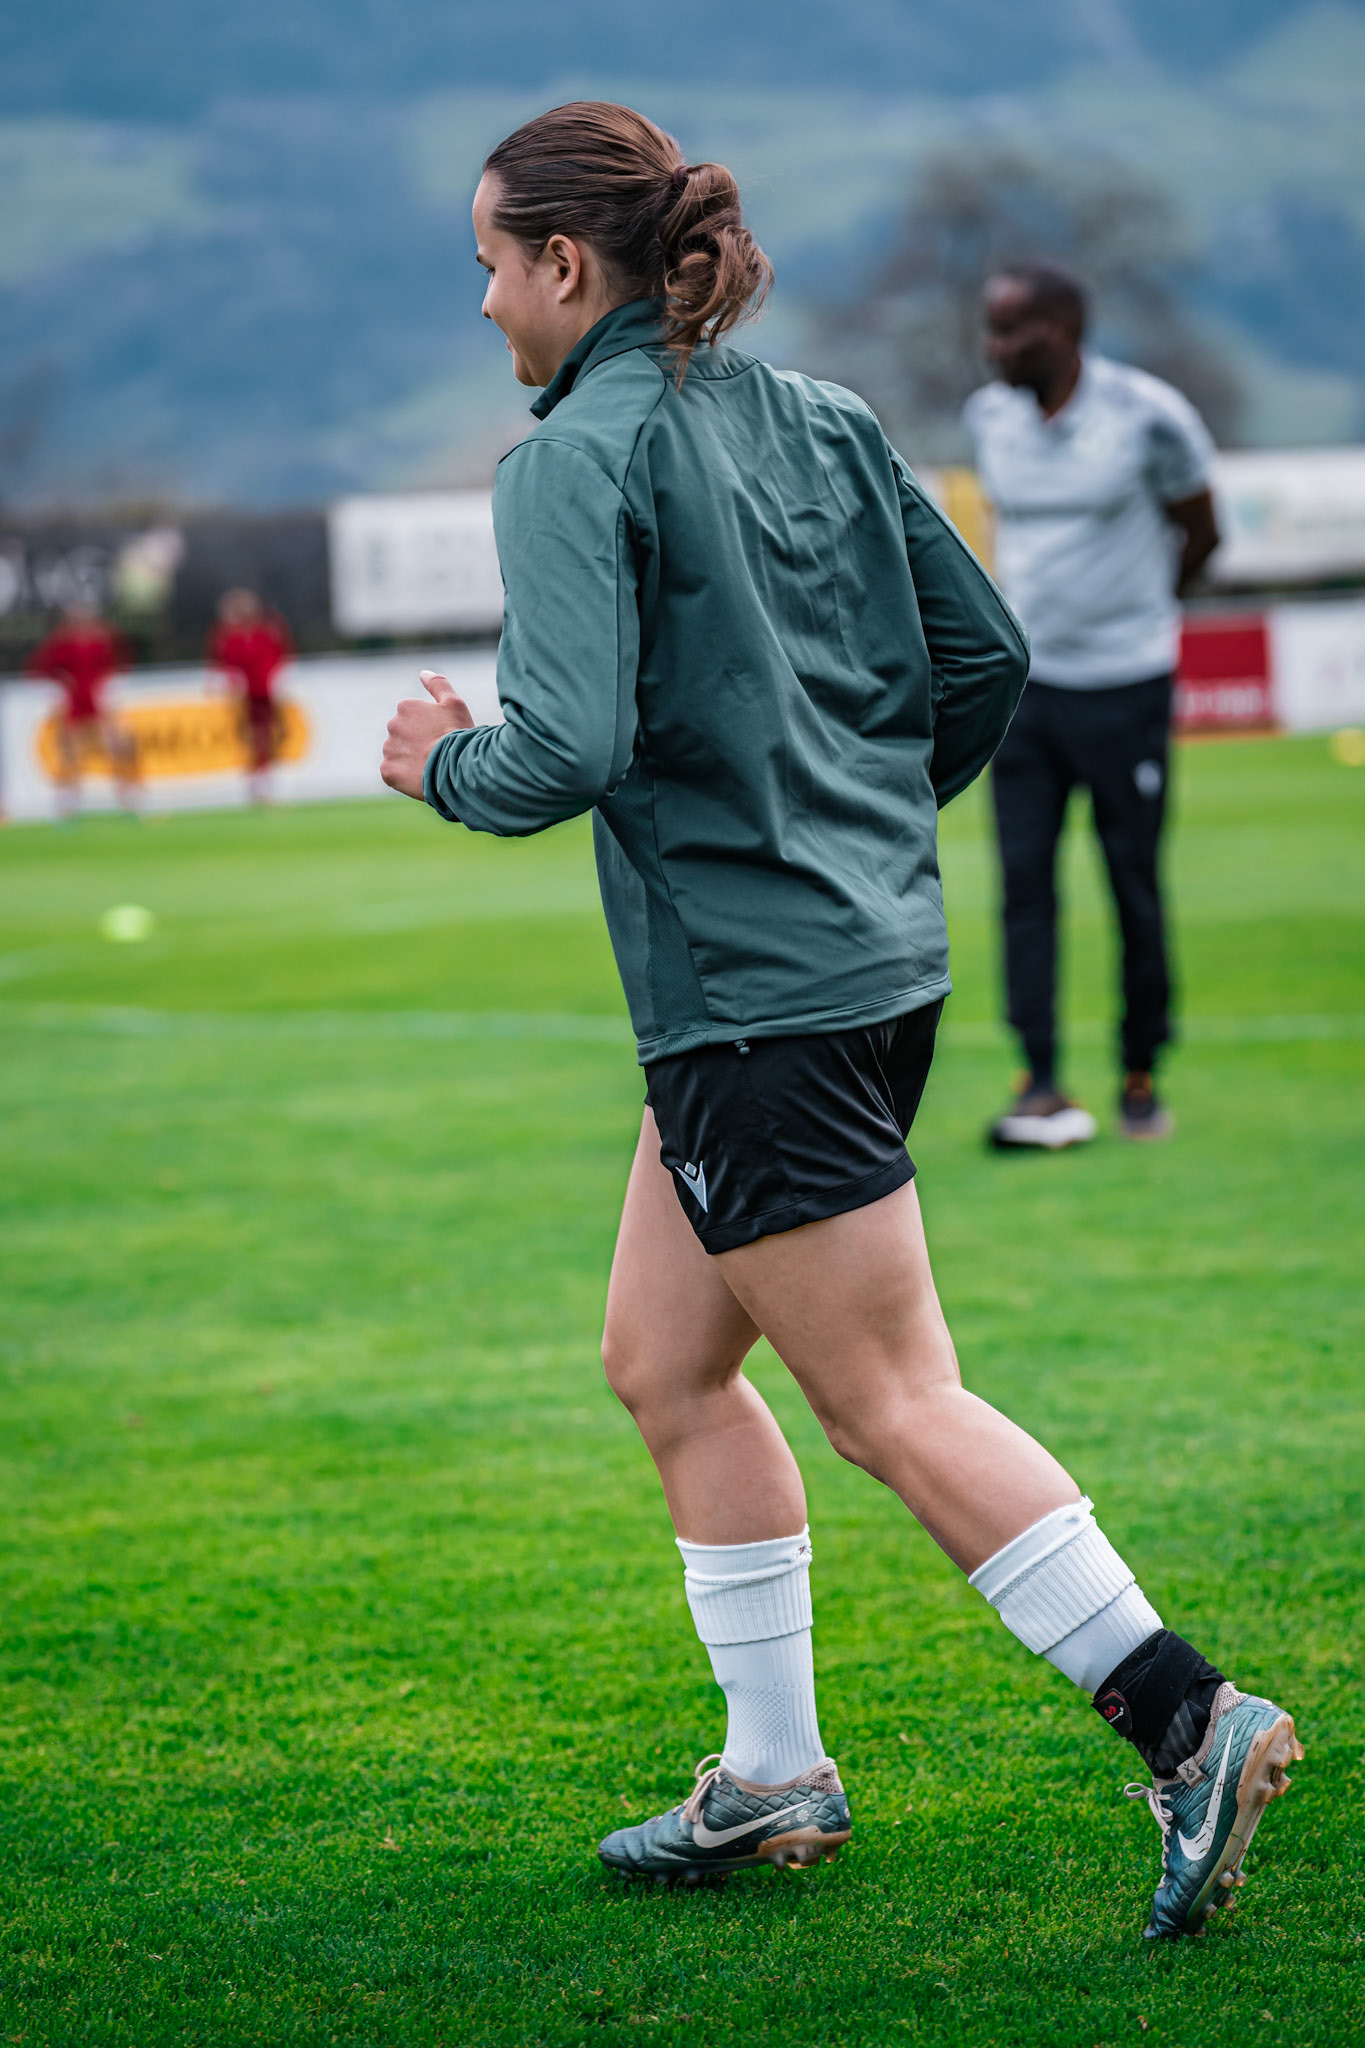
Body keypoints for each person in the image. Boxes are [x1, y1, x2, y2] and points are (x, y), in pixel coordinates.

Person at [381, 104, 1300, 1939]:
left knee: (890, 1398)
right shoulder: (822, 411)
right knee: (667, 1363)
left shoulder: (567, 461)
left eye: (491, 259)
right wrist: (857, 834)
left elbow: (558, 748)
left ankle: (1190, 1715)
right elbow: (983, 663)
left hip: (751, 1005)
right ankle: (776, 1774)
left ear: (568, 265)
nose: (483, 299)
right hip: (863, 969)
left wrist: (441, 765)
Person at [964, 265, 1221, 1150]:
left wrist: (1146, 610)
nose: (994, 348)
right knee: (1022, 891)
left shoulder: (1148, 415)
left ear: (1065, 329)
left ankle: (1141, 1073)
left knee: (1132, 887)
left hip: (1125, 687)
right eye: (989, 330)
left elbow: (1202, 528)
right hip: (1024, 694)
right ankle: (1036, 1079)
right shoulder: (987, 417)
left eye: (1012, 331)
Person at [25, 601, 138, 817]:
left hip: (99, 705)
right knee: (71, 753)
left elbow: (120, 665)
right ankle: (68, 799)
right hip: (74, 706)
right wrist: (60, 686)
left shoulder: (104, 640)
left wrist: (109, 687)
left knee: (119, 745)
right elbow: (40, 669)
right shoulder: (60, 643)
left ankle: (128, 792)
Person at [206, 587, 293, 801]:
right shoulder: (225, 636)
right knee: (250, 736)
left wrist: (279, 682)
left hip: (267, 691)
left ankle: (266, 777)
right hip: (243, 696)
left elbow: (282, 656)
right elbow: (222, 664)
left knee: (273, 734)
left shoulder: (268, 630)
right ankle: (255, 778)